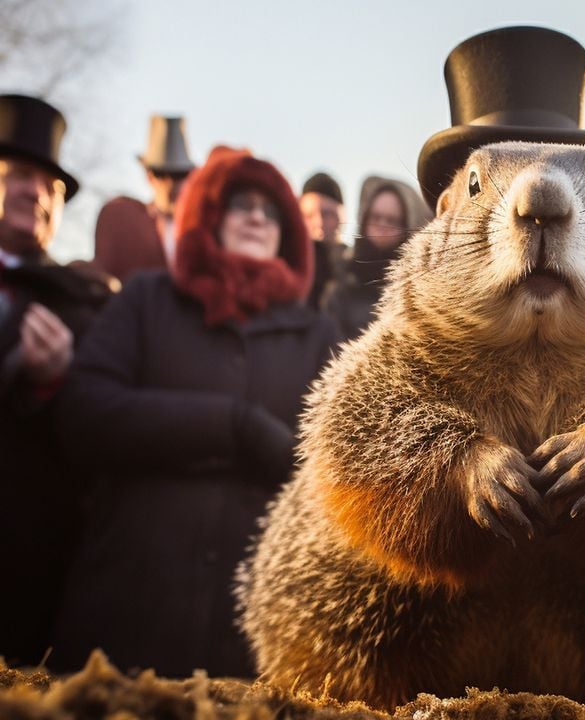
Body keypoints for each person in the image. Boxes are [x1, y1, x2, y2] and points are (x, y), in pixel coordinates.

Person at [50, 147, 337, 677]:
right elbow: (84, 415)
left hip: (251, 640)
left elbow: (334, 472)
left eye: (272, 212)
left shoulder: (315, 335)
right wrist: (233, 426)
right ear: (209, 215)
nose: (257, 217)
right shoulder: (147, 300)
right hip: (124, 619)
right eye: (241, 205)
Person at [0, 94, 115, 666]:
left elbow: (100, 425)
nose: (36, 192)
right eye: (19, 173)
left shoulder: (85, 301)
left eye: (52, 186)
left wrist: (53, 382)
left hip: (30, 565)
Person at [322, 176, 431, 339]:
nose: (382, 226)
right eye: (375, 217)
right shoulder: (341, 282)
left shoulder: (419, 289)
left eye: (391, 220)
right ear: (365, 219)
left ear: (407, 225)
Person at [92, 115, 196, 282]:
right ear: (149, 176)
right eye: (161, 173)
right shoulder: (124, 218)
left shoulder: (202, 228)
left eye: (179, 174)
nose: (170, 184)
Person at [298, 171, 345, 309]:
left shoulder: (357, 270)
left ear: (341, 218)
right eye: (309, 215)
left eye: (327, 214)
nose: (318, 222)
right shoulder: (288, 272)